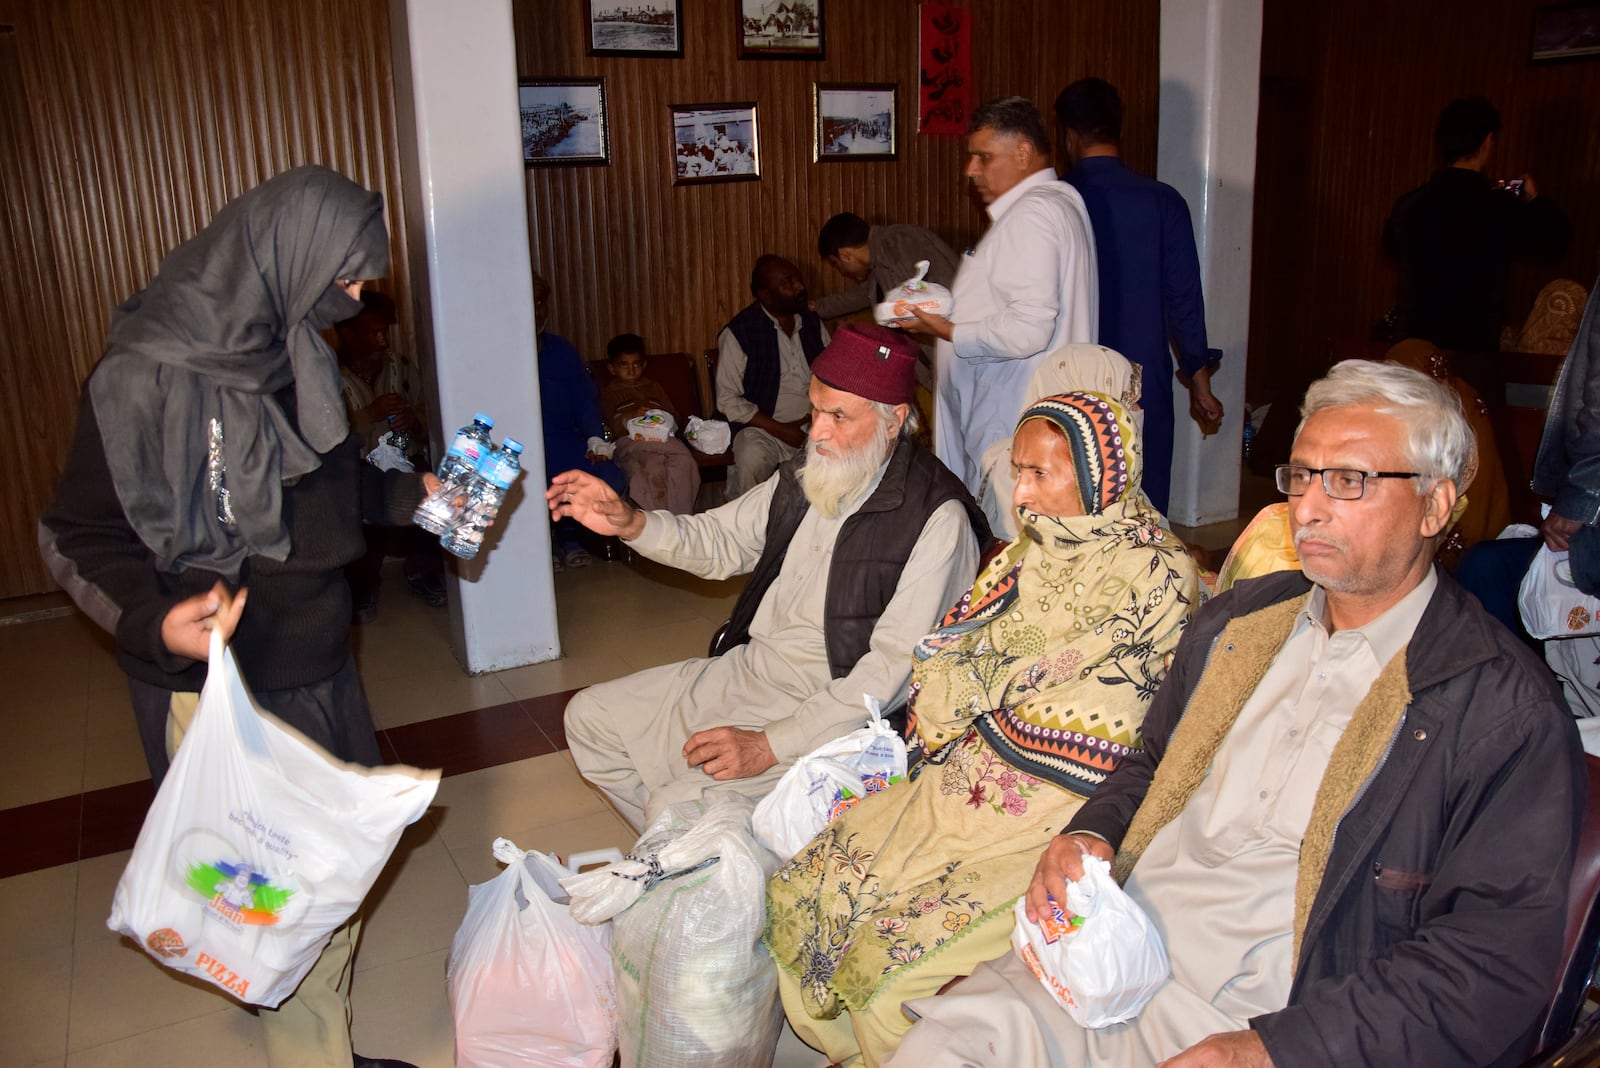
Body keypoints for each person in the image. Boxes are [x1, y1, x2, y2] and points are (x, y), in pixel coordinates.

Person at [887, 359, 1585, 1068]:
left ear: (1436, 506)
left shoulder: (1496, 706)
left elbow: (1487, 970)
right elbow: (1150, 763)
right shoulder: (1240, 622)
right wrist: (1090, 831)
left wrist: (1272, 1050)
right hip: (1109, 958)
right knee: (936, 1049)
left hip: (1265, 1018)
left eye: (1348, 481)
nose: (1308, 508)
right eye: (1302, 476)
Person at [37, 165, 422, 1068]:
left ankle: (310, 1038)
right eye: (351, 275)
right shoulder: (142, 374)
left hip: (317, 659)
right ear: (288, 256)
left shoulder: (293, 346)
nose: (361, 296)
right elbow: (75, 533)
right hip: (221, 685)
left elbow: (330, 484)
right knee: (280, 899)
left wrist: (416, 493)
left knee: (326, 882)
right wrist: (151, 618)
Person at [766, 391, 1199, 1067]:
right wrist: (976, 681)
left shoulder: (1157, 574)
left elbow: (1075, 689)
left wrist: (986, 677)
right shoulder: (1029, 555)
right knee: (809, 883)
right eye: (1017, 471)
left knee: (889, 959)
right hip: (965, 777)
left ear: (1098, 476)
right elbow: (953, 655)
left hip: (1057, 812)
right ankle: (848, 1051)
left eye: (1040, 474)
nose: (1021, 495)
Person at [550, 324, 989, 830]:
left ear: (893, 420)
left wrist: (769, 744)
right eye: (816, 409)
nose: (816, 431)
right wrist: (632, 522)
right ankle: (702, 862)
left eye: (838, 416)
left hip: (828, 714)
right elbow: (719, 541)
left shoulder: (936, 519)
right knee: (591, 720)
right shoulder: (811, 472)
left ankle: (715, 856)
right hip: (749, 671)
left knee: (676, 808)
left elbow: (890, 674)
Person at [900, 96, 1098, 534]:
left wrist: (946, 328)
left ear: (1023, 153)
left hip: (1013, 418)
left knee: (1008, 540)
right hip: (1024, 413)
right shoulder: (1057, 205)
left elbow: (1028, 328)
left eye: (983, 157)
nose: (971, 170)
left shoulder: (1033, 214)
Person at [1055, 77, 1224, 514]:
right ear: (1118, 129)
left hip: (1069, 377)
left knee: (1075, 500)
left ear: (1068, 135)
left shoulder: (1054, 201)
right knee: (1145, 502)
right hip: (1141, 381)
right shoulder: (1164, 201)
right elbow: (1184, 301)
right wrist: (1201, 384)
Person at [1382, 96, 1572, 400]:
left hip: (1411, 357)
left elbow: (1391, 248)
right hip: (1472, 361)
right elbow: (1554, 243)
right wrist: (1536, 200)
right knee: (1475, 443)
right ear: (1487, 142)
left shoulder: (1411, 203)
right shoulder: (1497, 207)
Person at [334, 291, 445, 620]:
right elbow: (326, 437)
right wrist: (369, 413)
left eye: (384, 331)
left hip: (406, 458)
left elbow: (429, 412)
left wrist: (415, 420)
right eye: (371, 332)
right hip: (357, 466)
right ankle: (362, 585)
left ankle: (424, 572)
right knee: (355, 506)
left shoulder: (400, 367)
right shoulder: (327, 375)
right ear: (346, 332)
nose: (381, 340)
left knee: (429, 493)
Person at [716, 254, 830, 497]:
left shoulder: (812, 323)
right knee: (751, 456)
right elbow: (727, 399)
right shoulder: (740, 332)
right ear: (766, 296)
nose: (799, 287)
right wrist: (781, 430)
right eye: (787, 284)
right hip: (763, 430)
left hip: (813, 425)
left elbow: (832, 375)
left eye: (798, 280)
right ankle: (745, 528)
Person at [533, 271, 625, 569]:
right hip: (518, 448)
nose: (536, 310)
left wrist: (595, 438)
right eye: (528, 301)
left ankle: (571, 538)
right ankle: (540, 545)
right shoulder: (499, 351)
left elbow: (584, 400)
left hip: (563, 440)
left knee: (610, 477)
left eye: (540, 302)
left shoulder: (561, 350)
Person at [599, 332, 700, 514]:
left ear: (644, 365)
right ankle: (659, 522)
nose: (631, 370)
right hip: (632, 442)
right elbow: (611, 426)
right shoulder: (609, 394)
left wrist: (660, 417)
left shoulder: (653, 387)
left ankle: (682, 519)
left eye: (636, 364)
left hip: (662, 439)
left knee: (684, 461)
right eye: (624, 365)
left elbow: (674, 416)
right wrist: (631, 417)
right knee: (653, 468)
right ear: (612, 368)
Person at [814, 212, 961, 321]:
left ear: (845, 255)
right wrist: (817, 307)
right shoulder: (879, 264)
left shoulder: (897, 241)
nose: (842, 272)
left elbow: (925, 301)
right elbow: (860, 296)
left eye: (836, 264)